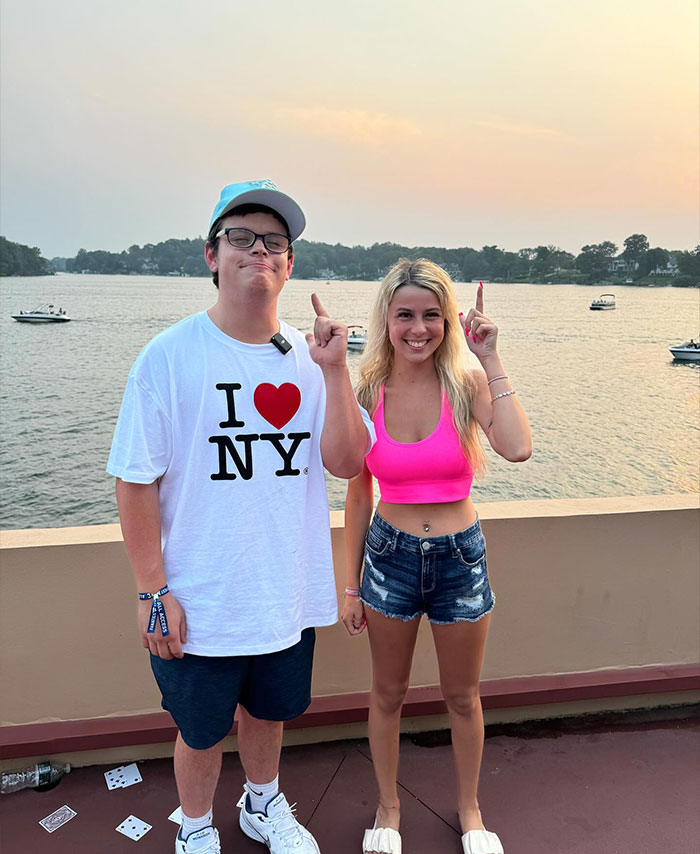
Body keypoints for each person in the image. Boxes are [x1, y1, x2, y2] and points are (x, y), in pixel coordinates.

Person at [107, 180, 375, 854]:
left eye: (275, 242)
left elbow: (347, 462)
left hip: (283, 589)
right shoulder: (168, 357)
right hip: (198, 593)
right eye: (241, 237)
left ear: (288, 264)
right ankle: (195, 828)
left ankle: (262, 804)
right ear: (211, 255)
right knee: (199, 729)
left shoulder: (312, 361)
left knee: (268, 713)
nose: (260, 249)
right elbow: (135, 481)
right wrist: (152, 589)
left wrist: (338, 372)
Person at [342, 259, 532, 854]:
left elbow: (518, 447)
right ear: (387, 319)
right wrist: (350, 585)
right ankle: (389, 809)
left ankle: (471, 810)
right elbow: (356, 489)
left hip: (459, 560)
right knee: (387, 693)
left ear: (449, 321)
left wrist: (491, 356)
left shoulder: (466, 383)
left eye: (432, 315)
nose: (418, 328)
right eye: (405, 315)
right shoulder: (368, 388)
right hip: (389, 556)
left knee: (462, 697)